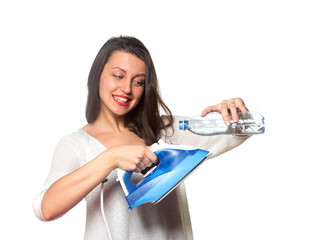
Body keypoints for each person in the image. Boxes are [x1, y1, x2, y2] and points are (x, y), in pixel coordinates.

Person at [33, 36, 250, 240]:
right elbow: (45, 209)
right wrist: (111, 158)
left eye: (138, 82)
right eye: (118, 76)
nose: (126, 88)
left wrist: (236, 112)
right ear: (98, 74)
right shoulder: (77, 145)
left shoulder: (167, 130)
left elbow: (242, 130)